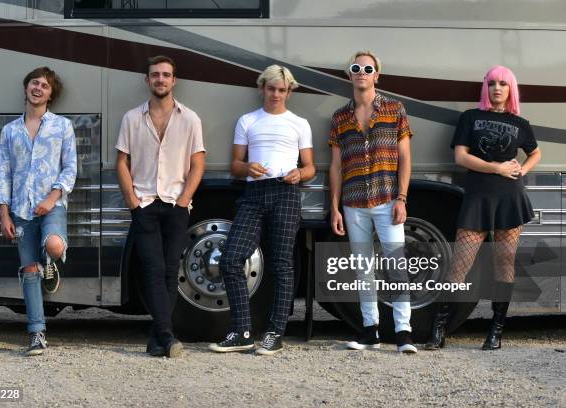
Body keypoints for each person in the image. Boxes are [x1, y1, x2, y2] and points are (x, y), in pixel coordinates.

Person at [424, 65, 541, 351]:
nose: (497, 88)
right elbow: (461, 157)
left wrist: (522, 170)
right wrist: (496, 168)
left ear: (511, 88)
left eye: (503, 84)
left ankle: (496, 331)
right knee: (459, 265)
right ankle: (439, 330)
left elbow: (535, 152)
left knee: (504, 264)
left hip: (510, 198)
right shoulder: (470, 117)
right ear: (485, 88)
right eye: (492, 83)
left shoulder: (521, 123)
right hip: (478, 196)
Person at [209, 65, 315, 356]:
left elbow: (310, 167)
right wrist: (247, 168)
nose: (276, 94)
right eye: (272, 89)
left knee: (282, 265)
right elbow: (235, 165)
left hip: (286, 192)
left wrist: (299, 174)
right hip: (254, 192)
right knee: (231, 259)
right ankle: (242, 331)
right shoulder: (247, 120)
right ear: (262, 88)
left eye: (282, 90)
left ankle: (274, 333)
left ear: (289, 92)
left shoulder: (299, 123)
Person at [116, 55, 205, 358]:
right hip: (144, 204)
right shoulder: (131, 118)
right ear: (147, 80)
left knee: (170, 270)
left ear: (174, 80)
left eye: (166, 75)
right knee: (153, 268)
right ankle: (166, 334)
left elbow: (198, 163)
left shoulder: (190, 118)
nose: (161, 80)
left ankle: (159, 337)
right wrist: (132, 201)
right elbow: (121, 162)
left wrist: (183, 202)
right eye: (155, 75)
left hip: (176, 204)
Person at [329, 51, 417, 353]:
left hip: (387, 199)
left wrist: (402, 198)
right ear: (350, 75)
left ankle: (403, 332)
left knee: (396, 265)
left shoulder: (395, 109)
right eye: (356, 68)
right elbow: (336, 166)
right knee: (363, 268)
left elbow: (405, 158)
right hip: (353, 204)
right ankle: (371, 331)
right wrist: (335, 208)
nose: (362, 72)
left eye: (368, 68)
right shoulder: (340, 117)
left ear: (376, 75)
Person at [0, 66, 77, 356]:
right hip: (20, 210)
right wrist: (4, 214)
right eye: (34, 83)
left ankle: (51, 263)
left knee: (54, 245)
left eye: (44, 85)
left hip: (52, 206)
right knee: (29, 271)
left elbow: (70, 168)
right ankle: (37, 333)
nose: (38, 88)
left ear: (51, 93)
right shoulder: (10, 131)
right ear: (26, 87)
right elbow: (3, 173)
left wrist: (52, 197)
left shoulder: (62, 126)